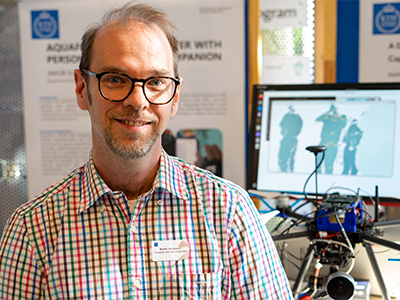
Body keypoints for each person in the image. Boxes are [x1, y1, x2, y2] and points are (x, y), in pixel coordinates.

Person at [0, 2, 293, 299]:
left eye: (155, 82)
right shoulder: (32, 230)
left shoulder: (229, 212)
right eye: (115, 79)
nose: (138, 101)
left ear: (174, 98)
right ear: (81, 89)